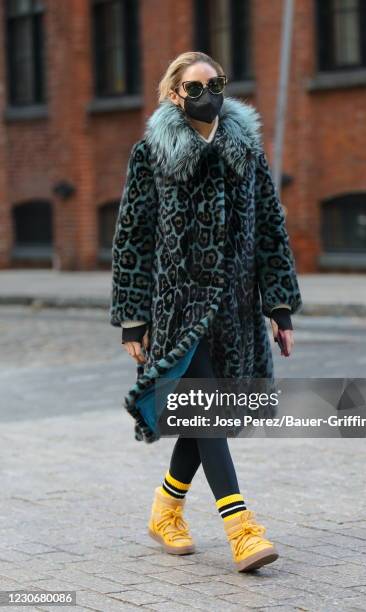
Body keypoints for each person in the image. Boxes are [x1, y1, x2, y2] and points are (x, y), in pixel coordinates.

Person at [110, 51, 303, 572]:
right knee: (208, 406)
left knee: (209, 414)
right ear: (175, 94)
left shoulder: (245, 149)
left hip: (235, 309)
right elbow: (132, 237)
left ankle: (166, 510)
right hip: (178, 309)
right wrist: (133, 316)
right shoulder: (151, 153)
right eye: (195, 87)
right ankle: (242, 529)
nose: (208, 94)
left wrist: (279, 308)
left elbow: (269, 230)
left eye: (216, 83)